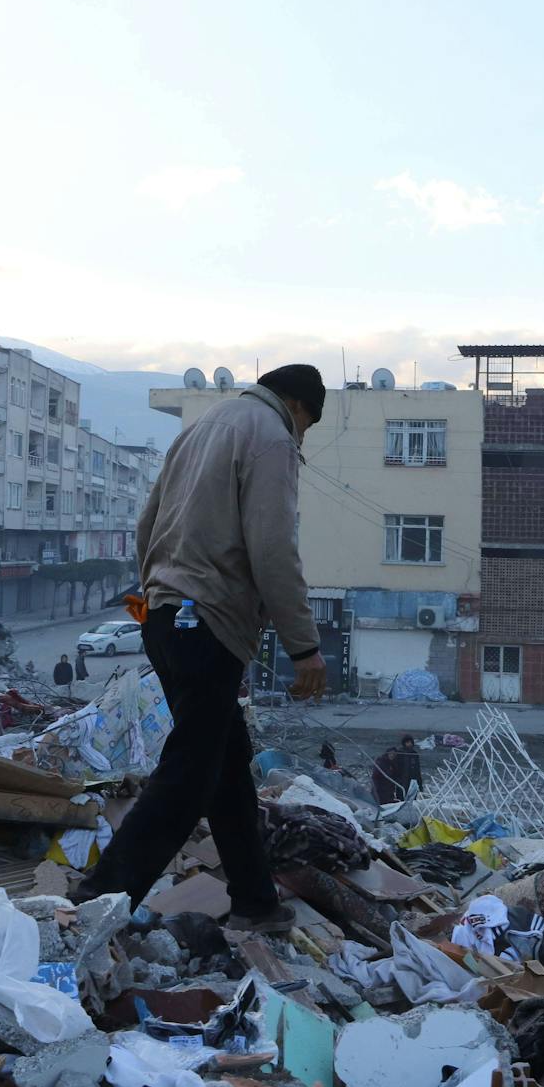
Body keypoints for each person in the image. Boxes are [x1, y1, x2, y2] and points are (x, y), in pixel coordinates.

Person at [73, 364, 328, 932]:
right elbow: (273, 547)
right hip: (210, 622)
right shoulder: (271, 436)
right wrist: (304, 646)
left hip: (165, 618)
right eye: (307, 425)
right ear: (296, 405)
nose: (302, 438)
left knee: (226, 766)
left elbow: (146, 526)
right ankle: (99, 900)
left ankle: (256, 902)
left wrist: (156, 595)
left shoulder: (202, 428)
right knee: (189, 774)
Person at [371, 734, 422, 806]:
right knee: (401, 798)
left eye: (410, 742)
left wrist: (420, 784)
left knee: (412, 799)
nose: (409, 744)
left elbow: (417, 770)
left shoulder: (414, 754)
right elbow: (393, 767)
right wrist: (398, 779)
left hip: (412, 781)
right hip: (401, 781)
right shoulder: (399, 753)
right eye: (407, 742)